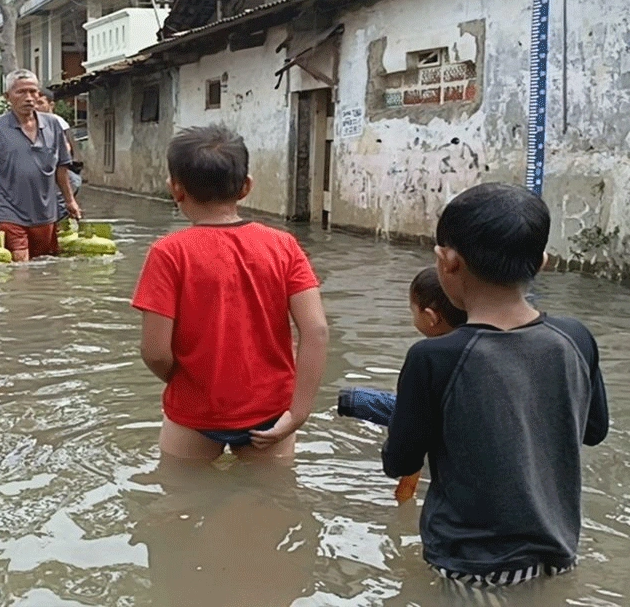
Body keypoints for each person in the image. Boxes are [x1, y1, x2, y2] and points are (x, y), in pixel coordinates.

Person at [383, 183, 609, 587]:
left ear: (447, 261)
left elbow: (400, 462)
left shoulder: (432, 358)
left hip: (471, 566)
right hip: (559, 553)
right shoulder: (576, 338)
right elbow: (594, 430)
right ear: (542, 262)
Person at [132, 125, 329, 461]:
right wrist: (298, 413)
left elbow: (155, 352)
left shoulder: (168, 253)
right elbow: (317, 331)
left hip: (194, 413)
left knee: (178, 501)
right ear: (246, 186)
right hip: (270, 412)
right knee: (270, 503)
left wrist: (189, 382)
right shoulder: (284, 246)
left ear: (175, 189)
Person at [337, 266, 468, 502]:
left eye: (412, 310)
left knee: (401, 412)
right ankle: (351, 401)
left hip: (433, 426)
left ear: (430, 317)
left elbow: (408, 444)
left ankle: (351, 401)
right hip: (448, 422)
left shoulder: (426, 356)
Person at [0, 70, 81, 261]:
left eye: (33, 92)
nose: (29, 98)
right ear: (7, 97)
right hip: (8, 212)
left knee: (44, 265)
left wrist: (70, 201)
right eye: (21, 92)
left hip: (46, 212)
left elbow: (62, 167)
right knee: (20, 265)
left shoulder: (53, 125)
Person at [34, 90, 84, 222]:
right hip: (60, 174)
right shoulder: (42, 122)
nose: (36, 107)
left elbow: (65, 148)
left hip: (66, 173)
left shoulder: (54, 122)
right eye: (35, 103)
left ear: (51, 105)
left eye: (40, 103)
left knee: (59, 208)